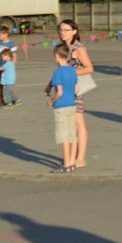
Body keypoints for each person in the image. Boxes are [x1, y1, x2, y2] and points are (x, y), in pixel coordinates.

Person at [58, 20, 94, 170]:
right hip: (65, 89)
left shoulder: (78, 48)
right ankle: (74, 157)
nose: (63, 33)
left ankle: (80, 158)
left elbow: (89, 68)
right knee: (72, 123)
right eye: (61, 30)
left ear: (74, 31)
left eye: (66, 30)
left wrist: (70, 73)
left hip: (75, 89)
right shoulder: (63, 48)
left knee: (79, 123)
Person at [48, 44, 79, 173]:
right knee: (72, 135)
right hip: (72, 105)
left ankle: (66, 164)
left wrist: (51, 101)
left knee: (63, 137)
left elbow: (59, 92)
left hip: (61, 107)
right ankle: (72, 163)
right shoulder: (72, 70)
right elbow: (76, 89)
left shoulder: (58, 72)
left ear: (57, 56)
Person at [0, 25, 19, 106]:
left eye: (0, 35)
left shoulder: (11, 44)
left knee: (9, 85)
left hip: (7, 68)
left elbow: (14, 56)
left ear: (6, 34)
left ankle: (13, 98)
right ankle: (0, 99)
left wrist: (12, 65)